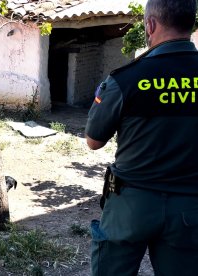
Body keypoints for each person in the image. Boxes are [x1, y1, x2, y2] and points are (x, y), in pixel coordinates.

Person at [84, 0, 198, 275]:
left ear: (150, 25)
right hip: (189, 207)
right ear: (192, 23)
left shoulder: (126, 79)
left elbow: (94, 140)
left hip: (130, 205)